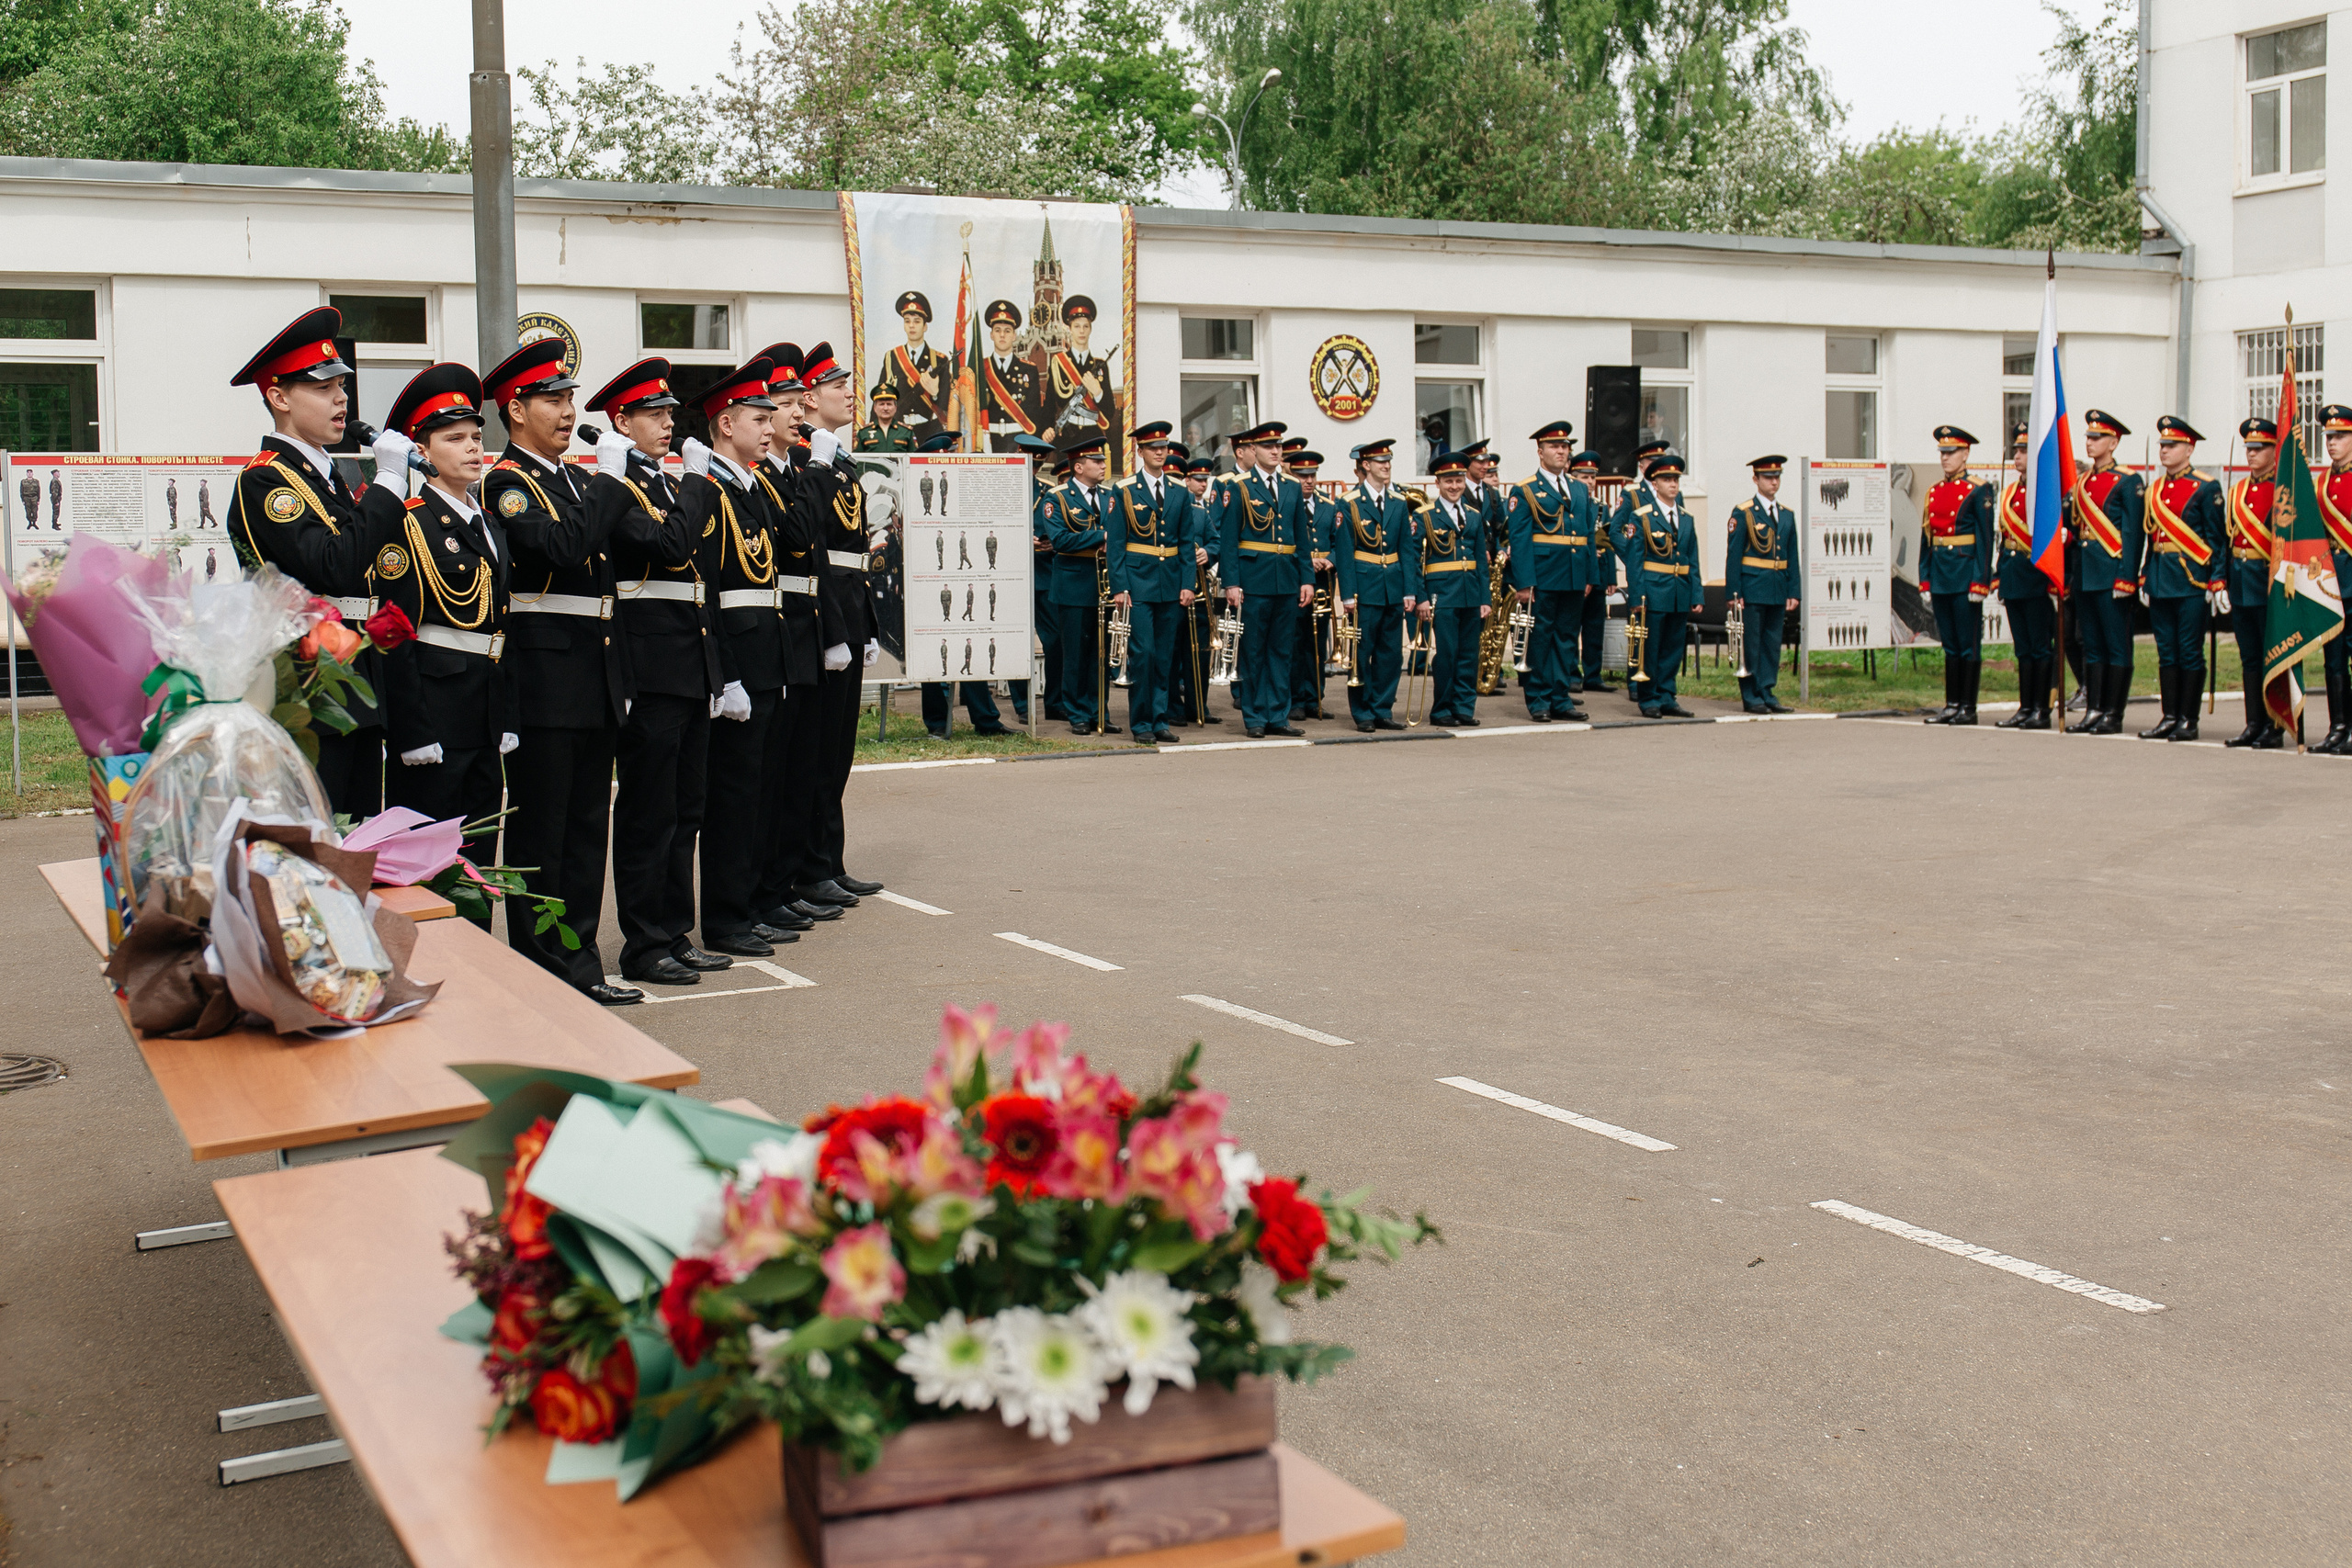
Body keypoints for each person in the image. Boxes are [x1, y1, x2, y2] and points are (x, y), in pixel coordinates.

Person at [481, 337, 639, 1005]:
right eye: (553, 399)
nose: (569, 411)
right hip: (546, 681)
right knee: (542, 833)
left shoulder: (573, 480)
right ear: (517, 410)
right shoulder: (506, 483)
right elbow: (565, 546)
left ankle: (581, 963)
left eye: (570, 398)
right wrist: (610, 482)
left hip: (592, 674)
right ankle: (546, 968)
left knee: (584, 831)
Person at [591, 356, 730, 987]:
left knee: (684, 809)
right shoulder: (620, 487)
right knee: (649, 813)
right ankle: (644, 943)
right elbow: (671, 548)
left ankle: (675, 931)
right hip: (649, 669)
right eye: (653, 413)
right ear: (622, 422)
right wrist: (698, 482)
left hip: (687, 664)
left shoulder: (665, 484)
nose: (668, 422)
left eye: (670, 411)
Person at [227, 306, 388, 817]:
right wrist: (387, 486)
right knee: (317, 836)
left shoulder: (327, 475)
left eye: (341, 385)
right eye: (323, 388)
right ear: (279, 398)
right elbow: (334, 566)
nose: (342, 398)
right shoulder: (266, 479)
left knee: (358, 839)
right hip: (308, 690)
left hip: (354, 683)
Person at [361, 364, 511, 906]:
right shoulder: (407, 521)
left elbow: (500, 626)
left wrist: (507, 716)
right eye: (454, 439)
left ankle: (480, 953)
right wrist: (409, 730)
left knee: (478, 863)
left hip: (484, 711)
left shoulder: (487, 521)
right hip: (435, 714)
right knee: (428, 868)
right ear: (420, 451)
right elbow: (391, 631)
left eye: (475, 437)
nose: (472, 448)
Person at [786, 341, 884, 906]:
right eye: (838, 386)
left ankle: (830, 859)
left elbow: (853, 553)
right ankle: (809, 866)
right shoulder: (804, 460)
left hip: (848, 608)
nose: (850, 394)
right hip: (823, 613)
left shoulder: (837, 459)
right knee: (816, 751)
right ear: (809, 397)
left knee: (838, 750)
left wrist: (863, 624)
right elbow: (813, 553)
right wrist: (831, 630)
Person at [1216, 422, 1315, 737]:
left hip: (1286, 579)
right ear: (1253, 449)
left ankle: (1278, 716)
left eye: (1278, 446)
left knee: (1282, 651)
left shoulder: (1291, 486)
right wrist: (1231, 583)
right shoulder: (1239, 486)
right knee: (1254, 651)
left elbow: (1301, 537)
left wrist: (1307, 578)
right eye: (1268, 446)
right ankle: (1256, 716)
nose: (1275, 451)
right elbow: (1229, 540)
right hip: (1253, 579)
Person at [2132, 416, 2226, 743]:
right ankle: (2169, 716)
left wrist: (2217, 580)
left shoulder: (2206, 487)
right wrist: (2146, 575)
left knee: (2189, 651)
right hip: (2160, 579)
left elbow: (2216, 540)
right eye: (2162, 445)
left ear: (2189, 449)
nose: (2164, 451)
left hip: (2191, 581)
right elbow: (2151, 538)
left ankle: (2188, 719)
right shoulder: (2155, 489)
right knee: (2167, 652)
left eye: (2171, 445)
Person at [1103, 421, 1195, 743]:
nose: (1160, 452)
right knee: (1143, 654)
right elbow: (1116, 543)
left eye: (1163, 447)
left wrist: (1188, 583)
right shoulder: (1124, 489)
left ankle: (1160, 719)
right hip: (1138, 583)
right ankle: (1141, 722)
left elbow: (1186, 541)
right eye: (1153, 448)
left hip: (1171, 582)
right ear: (1140, 452)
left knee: (1164, 656)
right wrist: (1119, 586)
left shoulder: (1180, 491)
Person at [1506, 420, 1598, 724]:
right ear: (1540, 451)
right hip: (1542, 576)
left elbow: (1588, 535)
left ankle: (1561, 698)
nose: (1561, 451)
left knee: (1567, 639)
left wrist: (1591, 575)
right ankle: (1539, 700)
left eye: (1564, 446)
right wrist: (1524, 582)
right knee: (1540, 639)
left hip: (1573, 574)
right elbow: (1519, 540)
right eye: (1554, 446)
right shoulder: (1526, 489)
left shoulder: (1579, 488)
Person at [2068, 410, 2143, 735]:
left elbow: (2132, 534)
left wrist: (2127, 577)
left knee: (2116, 645)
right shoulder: (2082, 482)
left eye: (2097, 438)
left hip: (2112, 574)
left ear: (2113, 443)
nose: (2090, 442)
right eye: (2088, 437)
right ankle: (2094, 709)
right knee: (2092, 645)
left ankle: (2114, 713)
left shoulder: (2128, 481)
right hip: (2086, 574)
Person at [1917, 425, 1996, 726]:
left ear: (1965, 454)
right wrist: (1925, 578)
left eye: (1951, 452)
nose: (1945, 458)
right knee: (1949, 644)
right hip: (1941, 575)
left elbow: (1985, 541)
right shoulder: (1934, 491)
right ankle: (1952, 704)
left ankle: (1968, 707)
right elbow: (1927, 540)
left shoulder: (1979, 490)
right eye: (1942, 452)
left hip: (1965, 576)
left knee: (1968, 644)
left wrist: (1980, 581)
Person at [1334, 438, 1415, 732]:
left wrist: (1409, 589)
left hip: (1392, 585)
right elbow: (1344, 552)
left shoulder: (1399, 502)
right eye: (1381, 462)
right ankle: (1363, 712)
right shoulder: (1349, 502)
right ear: (1366, 465)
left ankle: (1382, 708)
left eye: (1389, 461)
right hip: (1364, 587)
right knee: (1362, 652)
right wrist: (1347, 595)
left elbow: (1406, 549)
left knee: (1390, 653)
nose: (1387, 466)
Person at [1613, 451, 1702, 718]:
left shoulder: (1686, 517)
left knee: (1673, 647)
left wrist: (1697, 593)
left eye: (1676, 480)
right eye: (1666, 480)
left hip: (1679, 591)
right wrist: (1637, 596)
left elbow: (1692, 560)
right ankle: (1649, 697)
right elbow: (1635, 561)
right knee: (1650, 648)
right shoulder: (1642, 517)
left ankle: (1667, 695)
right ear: (1655, 484)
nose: (1673, 485)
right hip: (1653, 590)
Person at [1044, 431, 1119, 735]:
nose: (1103, 465)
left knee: (1101, 654)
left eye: (1103, 461)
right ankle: (1076, 713)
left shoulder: (1110, 496)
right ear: (1078, 466)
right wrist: (1101, 536)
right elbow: (1060, 540)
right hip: (1073, 585)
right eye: (1096, 461)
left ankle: (1099, 711)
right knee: (1075, 654)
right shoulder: (1057, 497)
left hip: (1104, 585)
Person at [1411, 450, 1493, 727]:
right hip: (1441, 595)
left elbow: (1481, 561)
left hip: (1470, 593)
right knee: (1446, 654)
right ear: (1438, 483)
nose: (1454, 486)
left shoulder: (1473, 515)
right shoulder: (1424, 516)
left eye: (1458, 480)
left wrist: (1485, 598)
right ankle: (1442, 709)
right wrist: (1421, 597)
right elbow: (1414, 561)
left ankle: (1464, 708)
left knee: (1469, 654)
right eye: (1448, 481)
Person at [1989, 431, 2060, 732]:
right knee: (2023, 648)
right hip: (2014, 577)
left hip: (2037, 579)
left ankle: (2041, 709)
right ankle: (2026, 707)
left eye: (2024, 451)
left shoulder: (2048, 492)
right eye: (2016, 450)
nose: (2017, 456)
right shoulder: (2009, 493)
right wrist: (1998, 574)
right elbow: (2005, 539)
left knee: (2040, 647)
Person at [1724, 454, 1801, 716]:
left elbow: (1792, 557)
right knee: (1752, 644)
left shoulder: (1787, 515)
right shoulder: (1744, 512)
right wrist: (1734, 593)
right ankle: (1751, 695)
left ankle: (1767, 690)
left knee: (1771, 642)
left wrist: (1794, 590)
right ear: (1755, 479)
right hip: (1752, 588)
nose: (1774, 482)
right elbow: (1734, 555)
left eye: (1777, 477)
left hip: (1777, 588)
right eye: (1768, 477)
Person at [2222, 419, 2283, 748]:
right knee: (2249, 657)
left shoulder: (2284, 491)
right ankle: (2253, 723)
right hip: (2241, 581)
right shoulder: (2237, 492)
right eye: (2249, 448)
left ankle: (2275, 724)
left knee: (2272, 655)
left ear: (2274, 450)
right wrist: (2221, 580)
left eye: (2259, 448)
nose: (2252, 454)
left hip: (2269, 582)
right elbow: (2227, 541)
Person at [1285, 446, 1339, 720]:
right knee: (1296, 641)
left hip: (1322, 582)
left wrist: (1330, 560)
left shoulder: (1329, 506)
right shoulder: (1286, 504)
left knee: (1318, 642)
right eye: (1302, 476)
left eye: (1312, 476)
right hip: (1296, 579)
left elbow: (1341, 542)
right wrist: (1307, 560)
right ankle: (1295, 699)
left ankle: (1315, 697)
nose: (1308, 481)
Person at [2315, 404, 2352, 753]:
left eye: (2340, 436)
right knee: (2334, 657)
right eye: (2329, 436)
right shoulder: (2321, 483)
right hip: (2330, 582)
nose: (2331, 442)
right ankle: (2338, 727)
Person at [1046, 296, 1119, 463]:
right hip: (1067, 438)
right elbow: (1049, 404)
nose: (1081, 331)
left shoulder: (1100, 366)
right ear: (1069, 329)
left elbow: (1109, 411)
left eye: (1086, 326)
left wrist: (1098, 392)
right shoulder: (1059, 364)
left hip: (1093, 437)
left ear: (1090, 329)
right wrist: (1047, 429)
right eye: (1077, 326)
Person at [1570, 450, 1617, 694]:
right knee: (1572, 625)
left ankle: (1593, 674)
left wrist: (1611, 577)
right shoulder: (1570, 503)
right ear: (1573, 477)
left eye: (1592, 477)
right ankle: (1571, 674)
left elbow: (1607, 540)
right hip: (1578, 572)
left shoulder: (1601, 506)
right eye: (1584, 477)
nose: (1590, 482)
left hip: (1598, 573)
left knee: (1594, 626)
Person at [877, 291, 950, 443]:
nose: (911, 326)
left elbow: (949, 406)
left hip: (929, 430)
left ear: (925, 326)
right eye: (907, 321)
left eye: (917, 321)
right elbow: (880, 396)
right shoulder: (892, 357)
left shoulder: (939, 360)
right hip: (898, 430)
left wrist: (935, 394)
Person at [978, 299, 1044, 451]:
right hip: (988, 444)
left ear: (1014, 335)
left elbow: (1034, 415)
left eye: (1007, 331)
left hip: (1018, 444)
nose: (1002, 335)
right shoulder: (980, 368)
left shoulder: (1029, 370)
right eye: (997, 330)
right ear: (991, 335)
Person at [854, 385, 918, 453]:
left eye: (889, 404)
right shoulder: (864, 432)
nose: (885, 408)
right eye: (881, 404)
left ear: (895, 408)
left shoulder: (906, 432)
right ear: (875, 408)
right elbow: (857, 458)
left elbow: (915, 457)